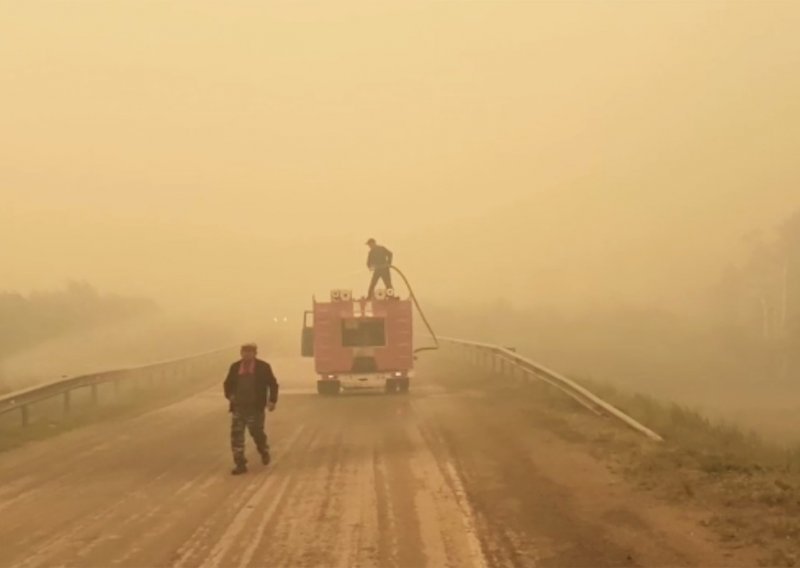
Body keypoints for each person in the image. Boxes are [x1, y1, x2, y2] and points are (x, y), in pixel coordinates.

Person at [223, 343, 279, 475]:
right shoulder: (235, 367)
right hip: (238, 407)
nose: (246, 354)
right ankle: (240, 464)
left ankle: (263, 450)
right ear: (241, 353)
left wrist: (272, 400)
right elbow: (228, 384)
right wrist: (230, 396)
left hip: (255, 407)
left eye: (249, 352)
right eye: (244, 352)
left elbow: (273, 384)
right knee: (236, 436)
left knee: (257, 433)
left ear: (255, 353)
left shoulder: (263, 367)